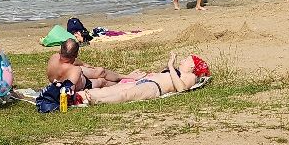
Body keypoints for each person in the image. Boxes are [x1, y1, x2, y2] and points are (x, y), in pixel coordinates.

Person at [74, 53, 208, 105]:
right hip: (146, 81)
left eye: (186, 60)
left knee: (125, 95)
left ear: (192, 66)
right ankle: (76, 96)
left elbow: (181, 88)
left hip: (154, 87)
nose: (183, 60)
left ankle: (98, 101)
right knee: (110, 89)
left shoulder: (190, 76)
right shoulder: (177, 71)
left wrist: (170, 66)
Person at [45, 38, 125, 93]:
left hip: (61, 81)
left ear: (60, 50)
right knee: (102, 81)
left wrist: (84, 64)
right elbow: (69, 90)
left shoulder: (54, 57)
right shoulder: (75, 70)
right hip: (81, 85)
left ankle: (124, 77)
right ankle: (122, 82)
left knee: (101, 71)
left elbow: (71, 60)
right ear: (76, 54)